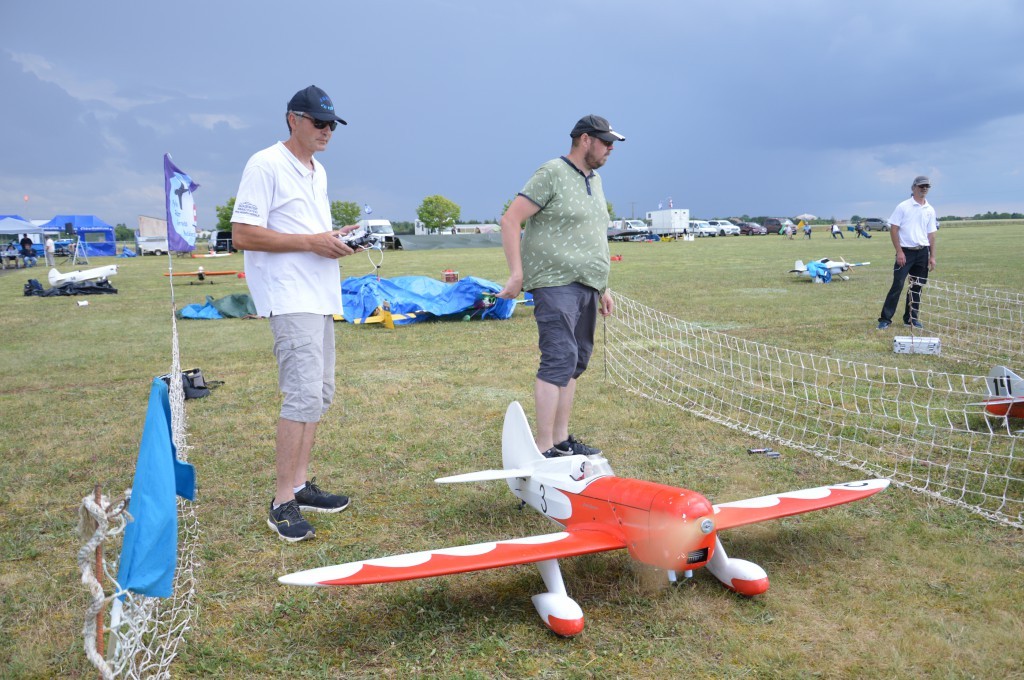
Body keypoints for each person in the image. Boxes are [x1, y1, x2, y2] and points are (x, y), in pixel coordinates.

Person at [230, 85, 358, 543]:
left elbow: (307, 234)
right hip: (289, 296)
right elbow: (243, 234)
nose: (327, 131)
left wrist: (334, 238)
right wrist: (311, 242)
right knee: (301, 396)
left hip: (319, 294)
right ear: (293, 119)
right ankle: (281, 501)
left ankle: (300, 486)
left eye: (332, 125)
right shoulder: (265, 163)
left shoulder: (317, 171)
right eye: (319, 123)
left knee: (319, 395)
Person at [497, 114, 622, 458]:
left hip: (588, 285)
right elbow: (510, 220)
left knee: (575, 360)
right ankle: (543, 447)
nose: (610, 148)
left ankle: (561, 439)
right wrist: (516, 274)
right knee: (559, 358)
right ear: (585, 140)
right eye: (606, 142)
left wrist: (604, 286)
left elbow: (594, 235)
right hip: (555, 283)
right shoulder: (551, 172)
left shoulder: (595, 180)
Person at [877, 175, 938, 330]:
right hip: (905, 252)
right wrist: (899, 252)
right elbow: (894, 229)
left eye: (927, 186)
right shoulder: (903, 207)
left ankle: (911, 319)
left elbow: (931, 234)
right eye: (921, 186)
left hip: (922, 252)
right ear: (913, 188)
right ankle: (885, 319)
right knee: (897, 285)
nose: (924, 188)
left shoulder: (930, 209)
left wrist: (932, 256)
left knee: (916, 287)